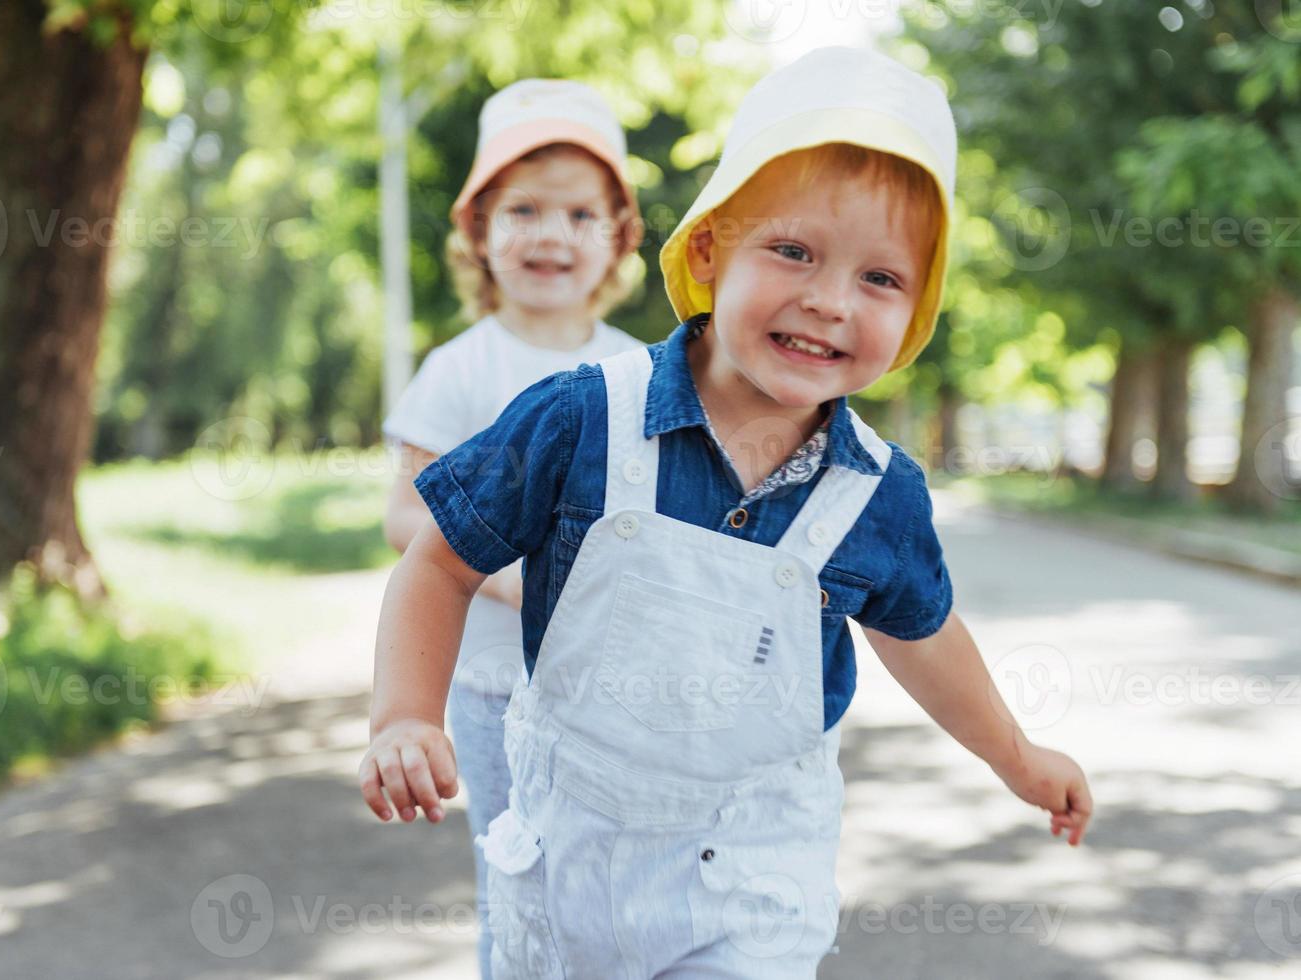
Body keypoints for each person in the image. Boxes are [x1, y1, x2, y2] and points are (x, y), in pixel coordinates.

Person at [361, 46, 1094, 978]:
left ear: (916, 314)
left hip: (749, 882)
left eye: (880, 278)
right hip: (570, 876)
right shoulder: (582, 417)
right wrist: (403, 716)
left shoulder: (877, 492)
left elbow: (922, 634)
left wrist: (1017, 757)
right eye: (792, 251)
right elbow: (438, 559)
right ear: (709, 251)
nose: (829, 301)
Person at [378, 77, 644, 978]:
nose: (549, 234)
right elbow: (407, 511)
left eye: (578, 214)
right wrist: (515, 578)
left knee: (619, 879)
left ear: (618, 236)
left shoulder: (637, 372)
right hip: (497, 685)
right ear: (478, 231)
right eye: (522, 209)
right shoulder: (460, 372)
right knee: (519, 878)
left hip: (615, 685)